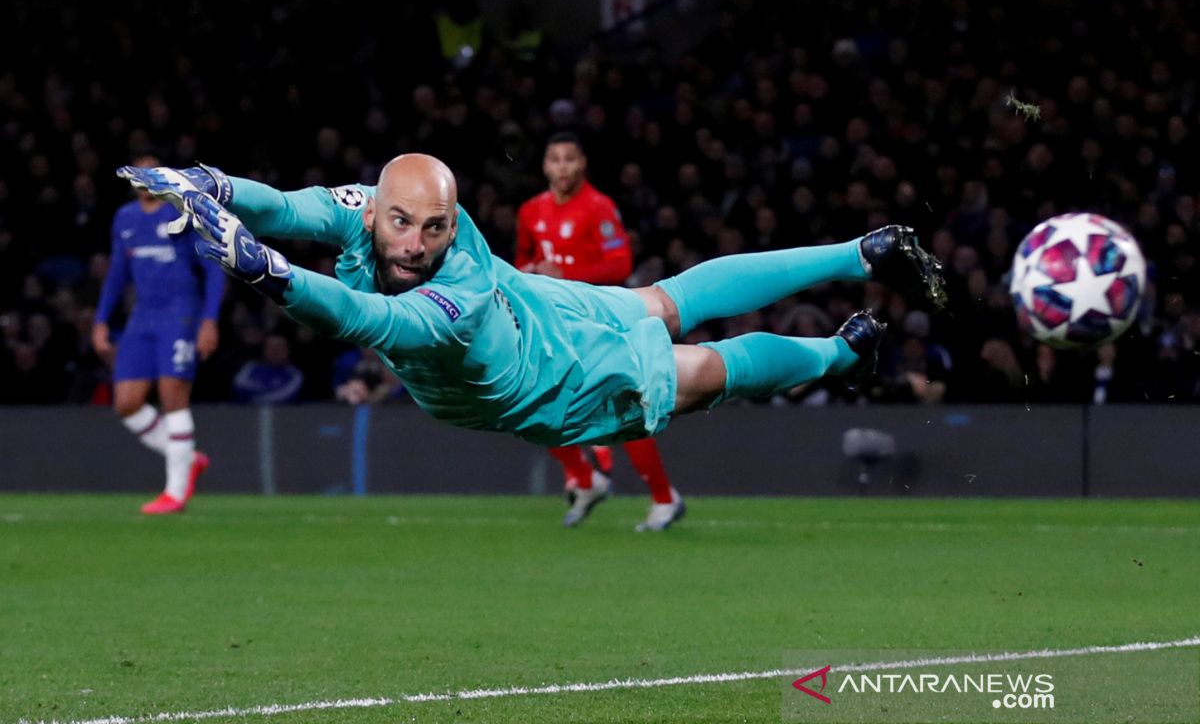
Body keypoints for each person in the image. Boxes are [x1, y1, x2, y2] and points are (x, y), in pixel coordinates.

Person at [115, 156, 945, 487]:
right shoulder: (369, 211)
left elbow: (369, 318)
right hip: (530, 342)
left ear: (452, 222)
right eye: (399, 224)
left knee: (680, 339)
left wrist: (265, 271)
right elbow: (292, 205)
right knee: (679, 336)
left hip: (537, 354)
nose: (413, 244)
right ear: (376, 210)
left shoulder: (457, 289)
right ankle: (849, 305)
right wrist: (214, 184)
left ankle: (850, 307)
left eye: (434, 228)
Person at [517, 132, 683, 530]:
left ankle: (664, 498)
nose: (561, 167)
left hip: (598, 322)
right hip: (554, 325)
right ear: (544, 166)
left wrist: (566, 276)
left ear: (582, 164)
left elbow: (620, 263)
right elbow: (523, 259)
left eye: (569, 159)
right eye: (554, 159)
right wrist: (528, 273)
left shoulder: (599, 207)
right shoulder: (531, 212)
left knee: (626, 406)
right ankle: (587, 478)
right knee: (530, 405)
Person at [93, 156, 225, 514]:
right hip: (142, 317)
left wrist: (209, 320)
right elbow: (118, 273)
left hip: (179, 314)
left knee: (172, 395)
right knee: (126, 402)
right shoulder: (125, 218)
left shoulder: (181, 212)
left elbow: (213, 268)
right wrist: (101, 319)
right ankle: (186, 457)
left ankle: (175, 492)